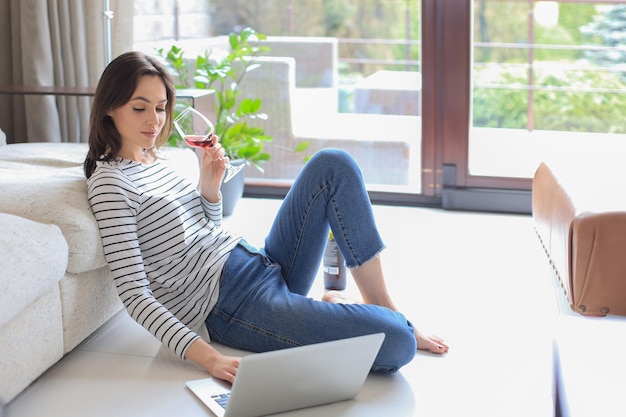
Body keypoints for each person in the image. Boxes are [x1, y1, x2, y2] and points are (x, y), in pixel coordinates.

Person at [84, 51, 448, 384]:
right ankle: (336, 312)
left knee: (332, 164)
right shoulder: (110, 185)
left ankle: (379, 306)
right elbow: (135, 294)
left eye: (161, 108)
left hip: (258, 263)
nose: (154, 120)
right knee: (398, 342)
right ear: (109, 108)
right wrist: (210, 359)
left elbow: (205, 232)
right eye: (139, 108)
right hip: (231, 306)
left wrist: (209, 189)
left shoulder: (156, 160)